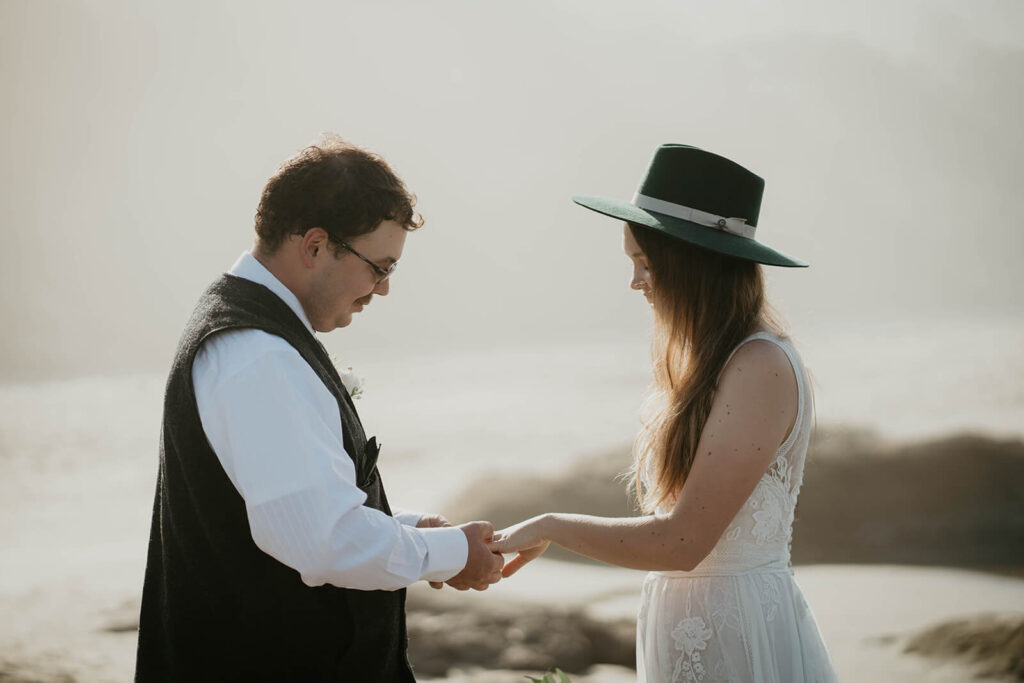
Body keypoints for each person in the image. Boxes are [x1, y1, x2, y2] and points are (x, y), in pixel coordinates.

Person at [135, 134, 504, 682]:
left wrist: (408, 530)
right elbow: (324, 543)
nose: (381, 290)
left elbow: (289, 513)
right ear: (314, 246)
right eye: (380, 267)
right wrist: (449, 552)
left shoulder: (252, 334)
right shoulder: (256, 355)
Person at [490, 144, 838, 682]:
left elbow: (681, 542)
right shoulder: (707, 366)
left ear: (692, 262)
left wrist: (553, 526)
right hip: (686, 629)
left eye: (645, 263)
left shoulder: (760, 364)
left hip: (740, 638)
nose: (635, 282)